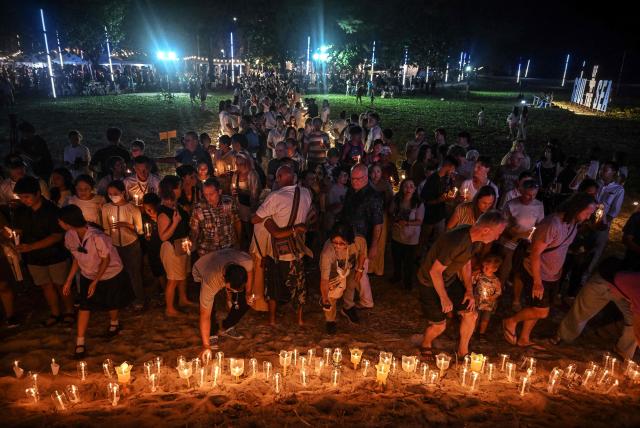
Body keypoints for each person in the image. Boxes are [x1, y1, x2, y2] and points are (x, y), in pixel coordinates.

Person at [503, 193, 596, 349]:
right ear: (577, 208)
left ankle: (524, 338)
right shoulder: (552, 224)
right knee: (542, 311)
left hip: (553, 274)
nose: (588, 217)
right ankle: (510, 321)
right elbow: (535, 253)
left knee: (536, 307)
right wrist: (537, 282)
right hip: (537, 272)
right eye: (587, 213)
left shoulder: (572, 223)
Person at [418, 211, 507, 359]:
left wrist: (469, 290)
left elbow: (464, 262)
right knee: (439, 325)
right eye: (497, 233)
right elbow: (435, 272)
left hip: (448, 279)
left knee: (471, 314)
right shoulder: (456, 241)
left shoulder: (474, 239)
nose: (497, 237)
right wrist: (444, 298)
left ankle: (462, 351)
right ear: (486, 230)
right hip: (429, 282)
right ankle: (426, 343)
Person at [59, 205, 132, 358]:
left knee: (111, 301)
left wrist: (96, 281)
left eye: (60, 221)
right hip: (88, 274)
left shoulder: (97, 236)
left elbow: (106, 260)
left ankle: (114, 323)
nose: (58, 223)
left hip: (110, 273)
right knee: (85, 306)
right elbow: (77, 258)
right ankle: (80, 342)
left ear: (68, 222)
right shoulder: (70, 236)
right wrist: (69, 280)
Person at [251, 165, 311, 325]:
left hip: (279, 249)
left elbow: (255, 219)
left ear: (279, 178)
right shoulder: (305, 193)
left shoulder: (275, 196)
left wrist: (268, 217)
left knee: (274, 285)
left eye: (277, 177)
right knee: (299, 285)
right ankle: (299, 319)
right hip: (297, 247)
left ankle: (272, 319)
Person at [12, 176, 74, 326]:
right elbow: (18, 230)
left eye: (27, 196)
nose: (24, 200)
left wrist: (31, 246)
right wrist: (14, 237)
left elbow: (57, 236)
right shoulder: (21, 212)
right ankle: (55, 313)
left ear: (38, 193)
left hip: (55, 255)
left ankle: (69, 311)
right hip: (34, 258)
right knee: (45, 285)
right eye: (21, 197)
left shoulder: (52, 210)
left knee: (61, 285)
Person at [553, 258, 640, 360]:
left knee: (633, 324)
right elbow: (638, 325)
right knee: (581, 311)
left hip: (625, 292)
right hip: (604, 282)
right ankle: (563, 337)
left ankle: (622, 353)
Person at [497, 178, 544, 308]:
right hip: (510, 242)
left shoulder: (539, 205)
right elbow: (503, 225)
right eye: (527, 194)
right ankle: (496, 296)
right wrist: (516, 234)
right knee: (504, 270)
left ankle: (516, 299)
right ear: (521, 191)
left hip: (527, 244)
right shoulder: (511, 205)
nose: (530, 198)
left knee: (519, 272)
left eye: (533, 195)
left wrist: (532, 237)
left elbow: (539, 224)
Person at [194, 249, 254, 350]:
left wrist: (248, 292)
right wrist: (206, 346)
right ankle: (212, 333)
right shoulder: (211, 280)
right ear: (225, 281)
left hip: (226, 257)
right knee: (209, 307)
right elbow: (205, 315)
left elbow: (250, 272)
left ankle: (228, 325)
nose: (235, 291)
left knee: (245, 300)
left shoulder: (246, 262)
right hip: (202, 268)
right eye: (232, 289)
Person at [101, 180, 145, 310]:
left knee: (134, 273)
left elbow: (140, 230)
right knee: (119, 274)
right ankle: (124, 299)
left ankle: (139, 299)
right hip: (114, 245)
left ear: (123, 192)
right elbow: (106, 228)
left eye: (115, 193)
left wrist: (126, 225)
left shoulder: (132, 208)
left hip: (131, 244)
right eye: (110, 193)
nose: (112, 196)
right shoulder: (106, 208)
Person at [580, 161, 625, 284]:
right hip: (586, 220)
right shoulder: (597, 184)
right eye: (601, 169)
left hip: (602, 225)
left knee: (596, 250)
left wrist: (603, 224)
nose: (601, 172)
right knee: (581, 245)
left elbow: (614, 211)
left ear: (613, 172)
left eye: (605, 170)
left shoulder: (618, 190)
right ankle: (574, 271)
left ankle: (585, 275)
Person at [319, 223, 367, 335]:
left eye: (342, 243)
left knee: (351, 284)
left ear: (350, 240)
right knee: (331, 291)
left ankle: (348, 307)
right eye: (335, 242)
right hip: (333, 269)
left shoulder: (359, 240)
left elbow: (362, 253)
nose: (338, 246)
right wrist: (325, 297)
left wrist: (360, 269)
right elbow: (324, 280)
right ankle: (330, 320)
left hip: (350, 264)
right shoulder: (328, 253)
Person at [156, 175, 194, 316]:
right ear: (172, 189)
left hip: (183, 244)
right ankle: (170, 308)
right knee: (173, 278)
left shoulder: (175, 204)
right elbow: (163, 236)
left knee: (183, 274)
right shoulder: (164, 211)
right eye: (179, 186)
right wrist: (175, 222)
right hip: (171, 248)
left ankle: (183, 299)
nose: (181, 189)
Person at [189, 178, 241, 257]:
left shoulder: (229, 202)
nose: (208, 198)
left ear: (219, 191)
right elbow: (194, 231)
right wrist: (192, 244)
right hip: (207, 251)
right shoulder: (199, 208)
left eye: (211, 194)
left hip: (228, 248)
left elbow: (237, 222)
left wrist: (238, 241)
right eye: (205, 195)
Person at [389, 179, 424, 290]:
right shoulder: (397, 199)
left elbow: (419, 221)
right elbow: (391, 212)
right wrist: (395, 220)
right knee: (397, 258)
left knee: (408, 262)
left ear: (414, 189)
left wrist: (407, 223)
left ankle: (408, 282)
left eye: (411, 186)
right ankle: (397, 275)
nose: (408, 188)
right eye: (405, 186)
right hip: (397, 235)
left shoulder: (418, 204)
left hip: (410, 238)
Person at [420, 155, 459, 248]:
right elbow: (424, 199)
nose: (454, 171)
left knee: (438, 239)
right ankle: (418, 258)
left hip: (440, 215)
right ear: (449, 166)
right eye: (453, 169)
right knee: (423, 239)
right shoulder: (433, 179)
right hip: (429, 216)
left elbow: (448, 193)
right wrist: (438, 200)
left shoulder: (447, 178)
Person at [231, 153, 261, 248]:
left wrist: (241, 192)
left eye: (241, 164)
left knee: (249, 227)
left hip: (248, 206)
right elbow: (232, 188)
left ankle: (252, 246)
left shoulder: (252, 174)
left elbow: (255, 193)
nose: (239, 166)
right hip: (238, 204)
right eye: (237, 164)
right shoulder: (236, 174)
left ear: (246, 163)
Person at [473, 253, 503, 336]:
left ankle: (482, 333)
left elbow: (498, 291)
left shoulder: (495, 280)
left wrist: (493, 297)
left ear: (495, 269)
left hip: (488, 304)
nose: (484, 269)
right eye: (483, 267)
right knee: (476, 317)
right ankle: (473, 331)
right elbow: (473, 282)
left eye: (486, 267)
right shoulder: (479, 276)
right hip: (477, 301)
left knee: (485, 319)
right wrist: (473, 275)